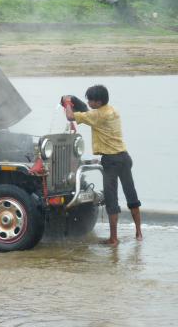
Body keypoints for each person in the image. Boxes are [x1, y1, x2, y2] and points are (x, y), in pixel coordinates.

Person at [62, 85, 142, 245]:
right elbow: (88, 112)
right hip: (124, 158)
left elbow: (70, 117)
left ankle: (113, 238)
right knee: (131, 195)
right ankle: (139, 234)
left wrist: (68, 102)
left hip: (111, 161)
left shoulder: (97, 115)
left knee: (112, 200)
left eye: (90, 100)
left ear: (98, 102)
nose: (88, 102)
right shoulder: (112, 111)